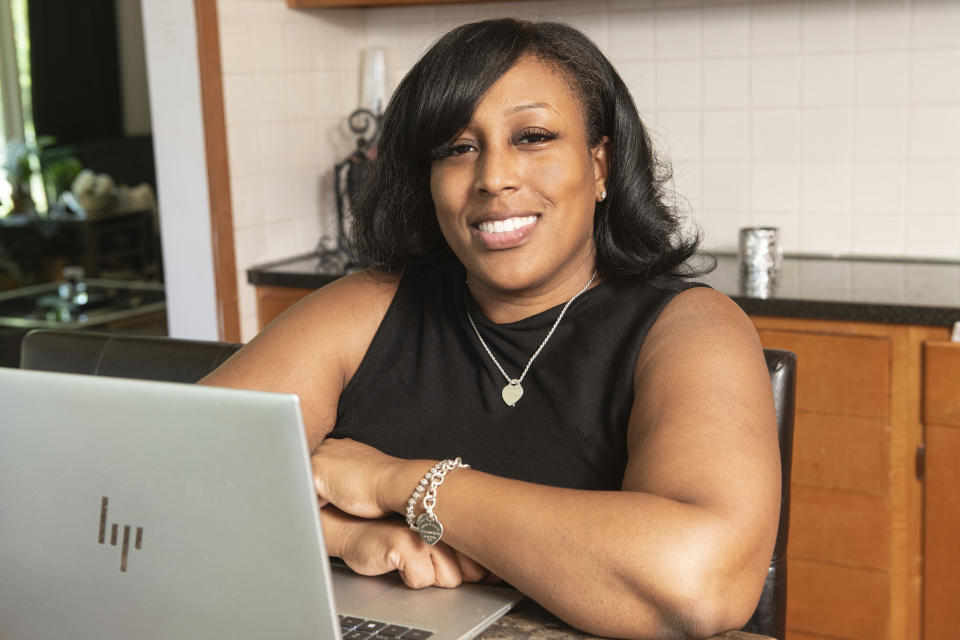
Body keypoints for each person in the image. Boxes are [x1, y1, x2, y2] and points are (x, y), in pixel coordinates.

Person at [201, 18, 779, 640]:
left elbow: (698, 585)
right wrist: (344, 533)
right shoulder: (364, 307)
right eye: (457, 148)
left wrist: (396, 482)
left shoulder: (689, 327)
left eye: (531, 137)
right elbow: (172, 480)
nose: (493, 178)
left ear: (602, 163)